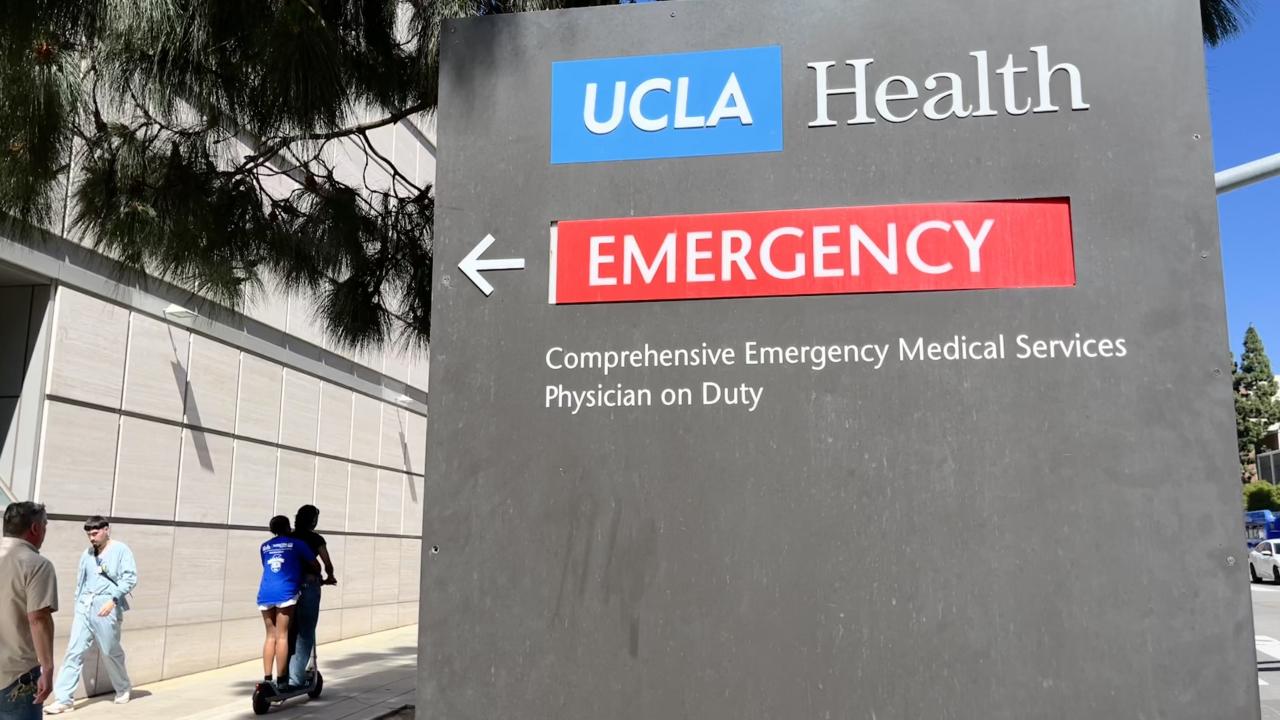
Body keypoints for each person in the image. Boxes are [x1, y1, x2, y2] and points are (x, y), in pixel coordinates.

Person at [45, 516, 137, 714]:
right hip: (84, 606)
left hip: (107, 605)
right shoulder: (87, 554)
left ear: (106, 529)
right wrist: (78, 604)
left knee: (109, 650)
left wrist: (113, 600)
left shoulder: (121, 550)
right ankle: (64, 699)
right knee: (74, 651)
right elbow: (81, 581)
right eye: (89, 535)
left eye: (95, 533)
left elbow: (130, 578)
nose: (92, 538)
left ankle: (123, 687)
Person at [0, 502, 57, 720]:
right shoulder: (37, 565)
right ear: (35, 528)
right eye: (45, 525)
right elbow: (38, 619)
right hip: (16, 678)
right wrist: (48, 669)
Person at [257, 516, 318, 691]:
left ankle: (267, 679)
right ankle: (282, 680)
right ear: (288, 527)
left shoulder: (265, 546)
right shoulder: (297, 544)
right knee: (282, 636)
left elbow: (266, 566)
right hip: (286, 592)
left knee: (270, 636)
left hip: (265, 592)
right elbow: (315, 565)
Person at [287, 505, 337, 688]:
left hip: (290, 586)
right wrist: (330, 577)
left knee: (289, 631)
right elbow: (326, 563)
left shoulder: (289, 537)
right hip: (309, 584)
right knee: (306, 631)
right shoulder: (316, 538)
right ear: (313, 520)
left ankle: (283, 674)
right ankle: (296, 678)